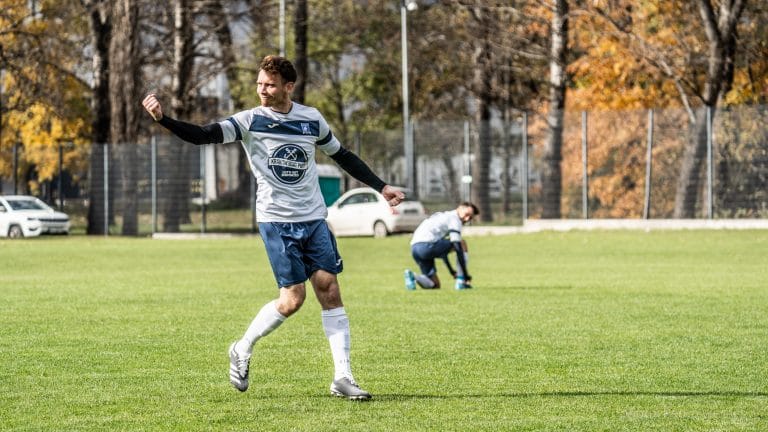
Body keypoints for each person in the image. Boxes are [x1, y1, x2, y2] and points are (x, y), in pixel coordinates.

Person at [142, 55, 404, 401]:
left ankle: (343, 376)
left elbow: (342, 155)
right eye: (259, 84)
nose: (262, 90)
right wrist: (165, 120)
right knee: (293, 299)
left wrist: (381, 186)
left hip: (313, 218)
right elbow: (203, 135)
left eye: (269, 85)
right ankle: (242, 347)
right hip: (276, 221)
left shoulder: (311, 119)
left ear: (288, 87)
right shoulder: (250, 121)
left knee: (330, 289)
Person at [405, 202, 479, 290]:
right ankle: (461, 282)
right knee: (462, 243)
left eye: (470, 218)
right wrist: (465, 275)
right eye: (467, 214)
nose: (467, 219)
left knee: (435, 285)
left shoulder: (442, 216)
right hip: (427, 245)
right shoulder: (454, 219)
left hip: (415, 248)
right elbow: (458, 247)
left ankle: (413, 276)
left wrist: (451, 271)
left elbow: (443, 254)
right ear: (460, 208)